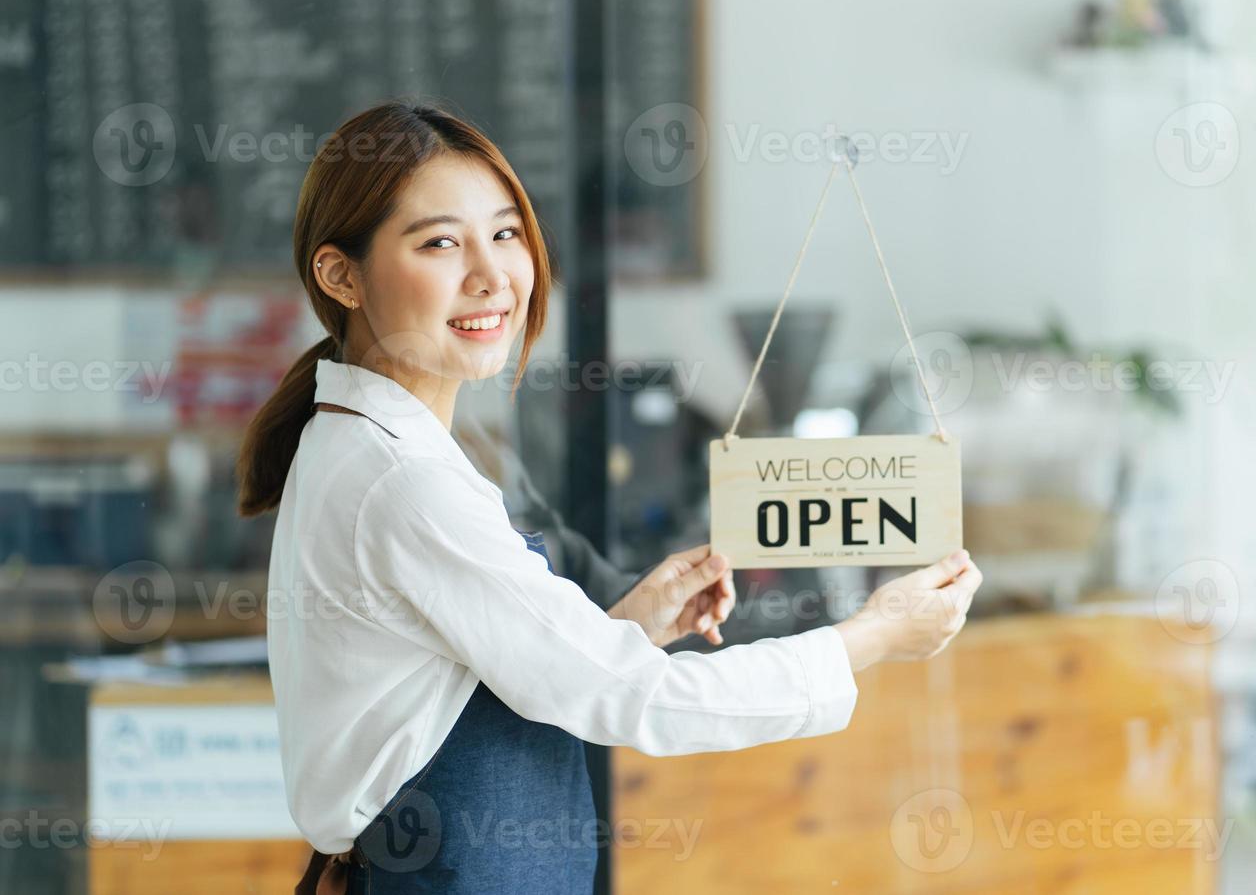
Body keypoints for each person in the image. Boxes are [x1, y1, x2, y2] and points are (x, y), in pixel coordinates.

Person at [235, 100, 983, 895]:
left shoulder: (358, 439)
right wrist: (872, 635)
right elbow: (635, 699)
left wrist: (628, 624)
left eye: (506, 233)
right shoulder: (404, 482)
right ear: (340, 274)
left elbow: (452, 691)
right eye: (441, 243)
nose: (491, 277)